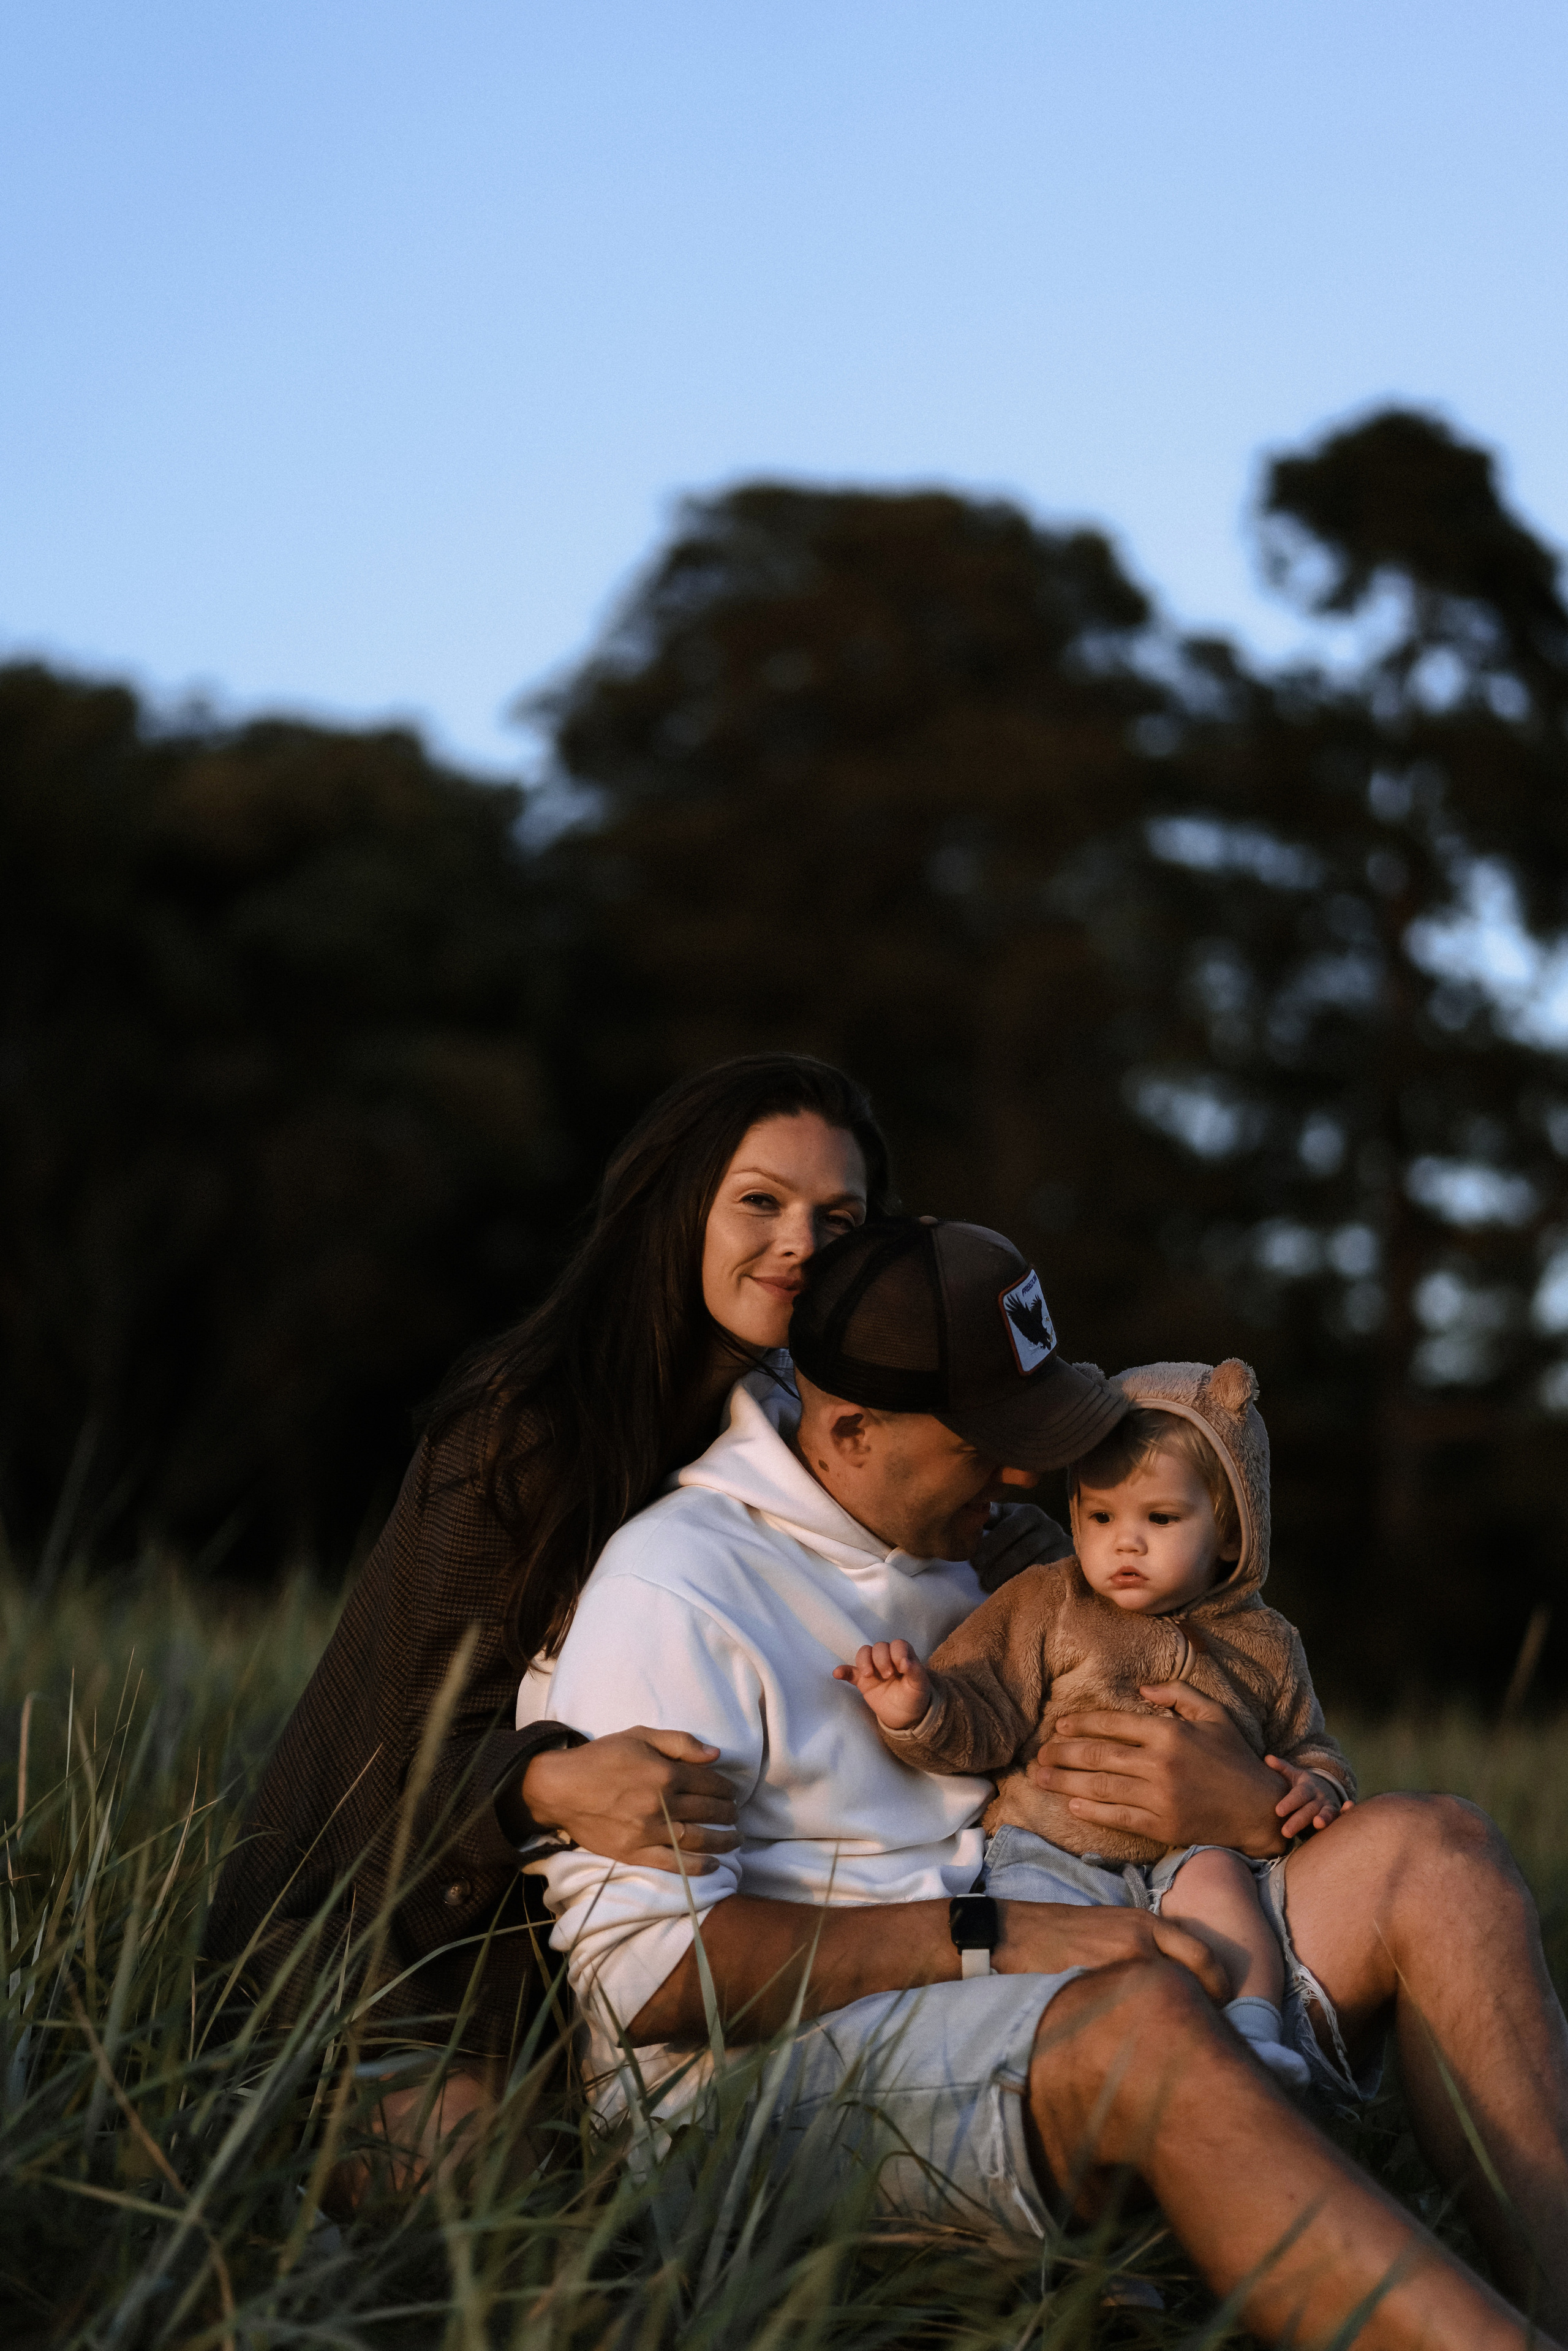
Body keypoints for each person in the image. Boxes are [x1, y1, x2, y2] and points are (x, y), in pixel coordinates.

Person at [529, 1215, 1568, 2349]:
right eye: (994, 1437)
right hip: (768, 2097)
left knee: (1441, 1850)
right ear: (852, 1426)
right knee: (1148, 2023)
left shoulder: (995, 1547)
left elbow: (1196, 1672)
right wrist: (996, 1933)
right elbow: (645, 1979)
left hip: (1077, 1948)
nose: (1034, 1473)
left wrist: (1244, 1807)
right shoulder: (677, 1586)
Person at [205, 1053, 965, 2177]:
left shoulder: (814, 1430)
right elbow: (387, 1755)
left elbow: (1005, 1509)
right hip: (391, 1950)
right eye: (761, 1200)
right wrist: (542, 1782)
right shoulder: (524, 1430)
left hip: (629, 1975)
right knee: (499, 2205)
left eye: (841, 1219)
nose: (803, 1242)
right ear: (676, 1207)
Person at [839, 1355, 1352, 2089]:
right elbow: (985, 1705)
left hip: (1193, 1851)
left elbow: (1308, 1743)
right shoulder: (1049, 1602)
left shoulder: (1266, 1642)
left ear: (1232, 1531)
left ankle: (1252, 2032)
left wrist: (1316, 1786)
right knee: (1048, 1936)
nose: (1125, 1544)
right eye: (1100, 1517)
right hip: (1053, 1845)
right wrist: (920, 1709)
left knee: (1225, 1897)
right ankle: (1058, 2072)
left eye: (1161, 1519)